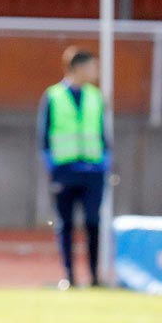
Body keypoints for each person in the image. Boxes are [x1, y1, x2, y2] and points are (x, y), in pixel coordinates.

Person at [38, 47, 111, 288]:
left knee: (93, 222)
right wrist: (53, 166)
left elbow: (101, 132)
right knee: (65, 224)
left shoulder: (95, 96)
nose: (95, 71)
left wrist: (104, 162)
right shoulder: (54, 95)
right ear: (77, 68)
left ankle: (94, 276)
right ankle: (69, 276)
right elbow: (44, 135)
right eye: (92, 66)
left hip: (92, 172)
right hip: (65, 171)